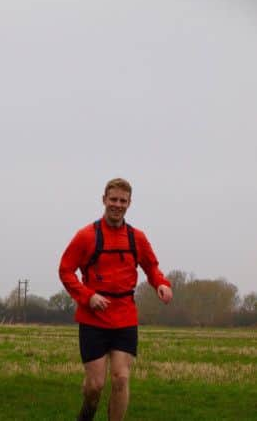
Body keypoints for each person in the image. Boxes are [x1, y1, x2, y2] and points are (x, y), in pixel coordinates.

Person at [58, 178, 172, 421]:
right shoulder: (86, 236)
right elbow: (65, 270)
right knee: (95, 386)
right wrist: (88, 297)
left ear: (129, 203)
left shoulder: (137, 238)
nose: (117, 205)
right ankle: (86, 414)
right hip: (93, 318)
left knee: (121, 378)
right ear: (104, 200)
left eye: (123, 201)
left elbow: (152, 268)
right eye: (113, 200)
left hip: (125, 316)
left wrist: (161, 284)